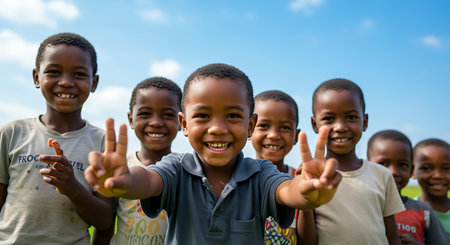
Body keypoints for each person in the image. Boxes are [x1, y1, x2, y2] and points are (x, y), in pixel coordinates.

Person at [84, 63, 342, 244]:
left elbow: (288, 191)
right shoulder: (176, 168)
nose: (217, 128)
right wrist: (124, 181)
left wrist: (307, 191)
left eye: (232, 115)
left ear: (250, 126)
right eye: (203, 116)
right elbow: (148, 181)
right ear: (184, 124)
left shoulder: (261, 174)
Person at [0, 33, 113, 244]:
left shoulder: (103, 143)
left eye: (79, 74)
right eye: (54, 72)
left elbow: (105, 221)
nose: (66, 82)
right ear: (36, 77)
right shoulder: (11, 133)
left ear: (94, 82)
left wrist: (72, 188)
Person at [301, 78, 405, 245]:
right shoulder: (310, 178)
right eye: (328, 118)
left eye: (351, 117)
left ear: (364, 122)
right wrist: (306, 201)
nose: (340, 127)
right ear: (315, 124)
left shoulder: (382, 175)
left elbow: (392, 236)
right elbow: (306, 242)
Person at [95, 77, 182, 245]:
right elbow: (105, 228)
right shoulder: (120, 168)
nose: (156, 122)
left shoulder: (185, 170)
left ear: (180, 121)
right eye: (145, 114)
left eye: (168, 115)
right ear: (131, 120)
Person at [368, 130, 449, 244]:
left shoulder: (422, 211)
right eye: (384, 164)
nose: (393, 172)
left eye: (403, 165)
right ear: (367, 166)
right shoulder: (360, 206)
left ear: (411, 170)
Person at [250, 90, 301, 244]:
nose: (273, 135)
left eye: (285, 128)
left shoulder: (299, 179)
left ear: (296, 136)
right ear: (249, 128)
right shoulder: (236, 177)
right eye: (264, 125)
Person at [413, 138, 450, 235]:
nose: (437, 175)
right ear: (412, 171)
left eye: (446, 168)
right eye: (427, 168)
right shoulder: (407, 211)